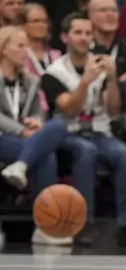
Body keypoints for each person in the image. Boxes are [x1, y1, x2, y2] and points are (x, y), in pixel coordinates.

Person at [41, 12, 126, 247]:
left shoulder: (101, 65)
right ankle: (84, 224)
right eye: (78, 33)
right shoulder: (54, 73)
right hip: (67, 133)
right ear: (65, 37)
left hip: (98, 131)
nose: (84, 38)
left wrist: (113, 78)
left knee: (122, 153)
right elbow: (69, 109)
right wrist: (85, 82)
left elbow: (114, 110)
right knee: (85, 151)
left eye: (88, 33)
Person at [0, 26, 70, 245]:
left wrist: (35, 121)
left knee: (57, 125)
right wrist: (22, 129)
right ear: (3, 49)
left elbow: (38, 112)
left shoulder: (30, 80)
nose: (26, 51)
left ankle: (20, 166)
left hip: (24, 140)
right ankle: (45, 227)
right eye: (20, 46)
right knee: (45, 155)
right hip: (4, 137)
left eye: (27, 46)